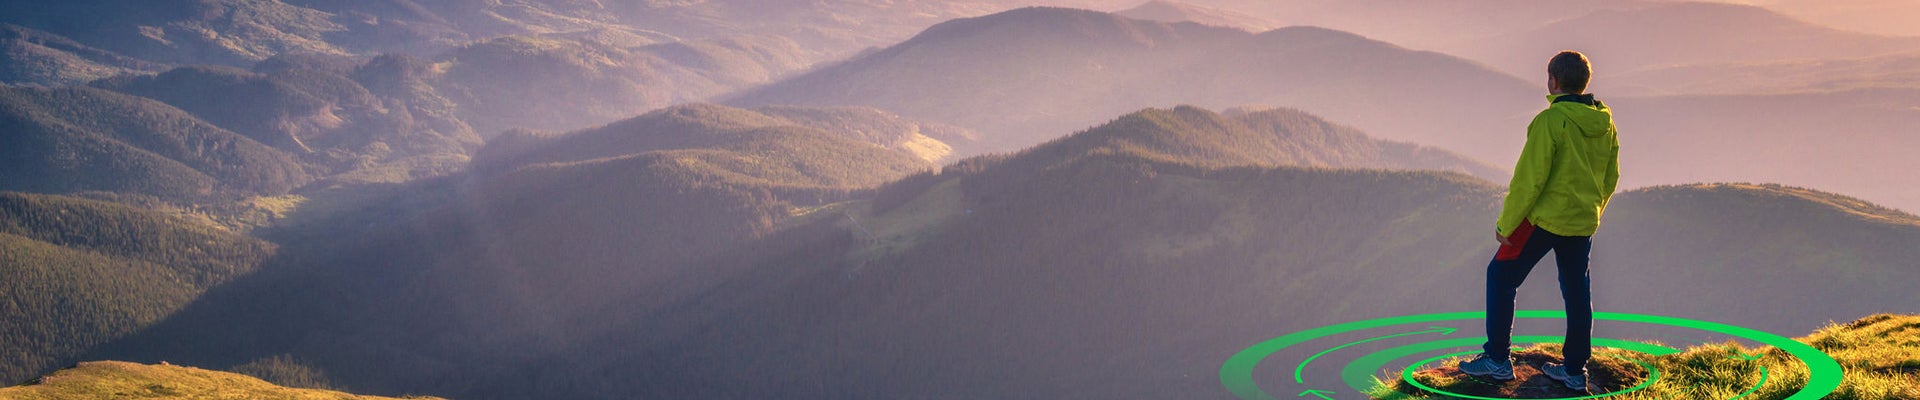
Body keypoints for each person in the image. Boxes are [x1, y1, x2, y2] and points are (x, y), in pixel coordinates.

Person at [1456, 50, 1620, 394]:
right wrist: (1593, 211)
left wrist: (1506, 225)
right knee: (1577, 293)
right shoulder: (1605, 123)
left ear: (1553, 81)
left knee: (1500, 277)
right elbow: (1611, 176)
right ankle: (1575, 371)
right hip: (1582, 221)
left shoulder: (1550, 121)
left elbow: (1529, 180)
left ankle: (1498, 360)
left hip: (1544, 219)